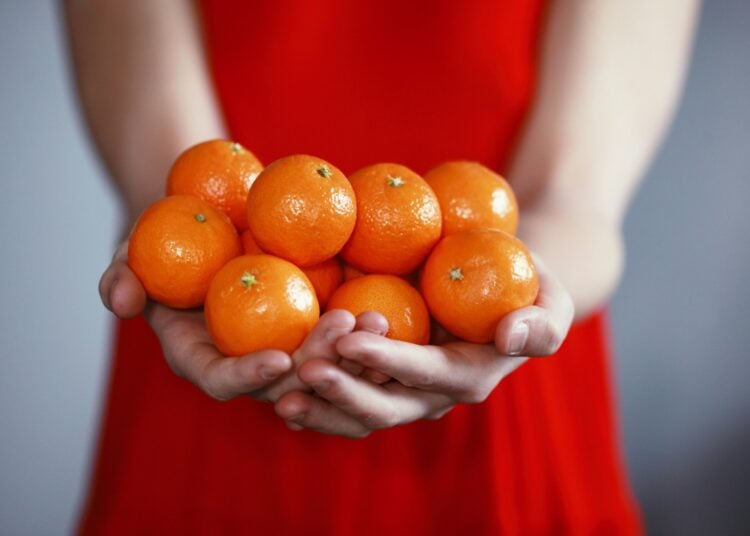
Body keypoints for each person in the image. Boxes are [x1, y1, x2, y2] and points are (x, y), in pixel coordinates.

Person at [65, 0, 698, 533]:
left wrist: (525, 281)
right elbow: (186, 185)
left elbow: (573, 197)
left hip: (497, 372)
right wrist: (186, 259)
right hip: (221, 344)